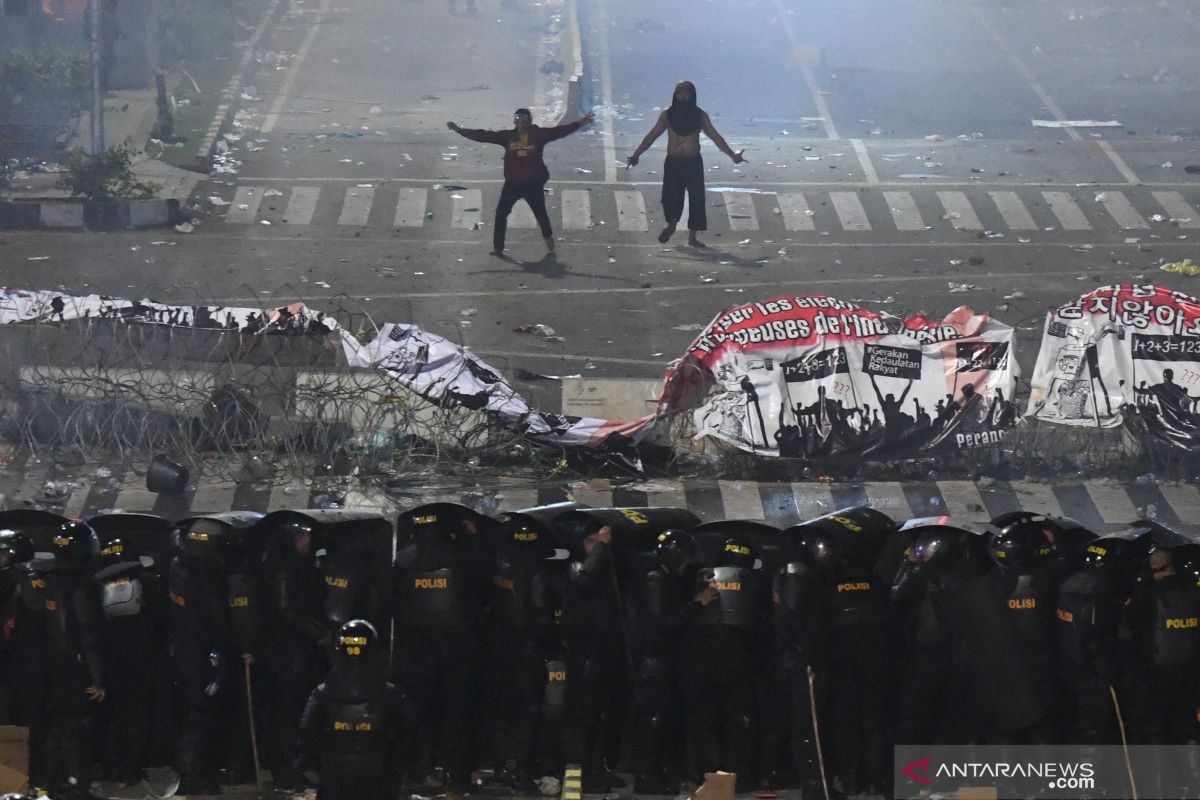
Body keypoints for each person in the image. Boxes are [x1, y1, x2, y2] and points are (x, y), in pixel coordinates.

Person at [446, 108, 595, 256]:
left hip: (533, 183)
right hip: (512, 184)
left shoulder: (539, 135)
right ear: (515, 122)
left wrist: (581, 122)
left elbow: (560, 131)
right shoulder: (508, 137)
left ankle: (548, 236)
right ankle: (498, 248)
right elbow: (484, 135)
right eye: (519, 120)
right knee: (501, 214)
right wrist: (460, 130)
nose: (522, 124)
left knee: (540, 214)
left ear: (530, 122)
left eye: (525, 121)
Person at [626, 80, 746, 247]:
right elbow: (651, 136)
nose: (682, 97)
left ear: (692, 96)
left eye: (685, 94)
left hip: (693, 163)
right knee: (670, 196)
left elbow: (715, 137)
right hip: (673, 163)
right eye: (679, 93)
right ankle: (672, 224)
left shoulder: (700, 116)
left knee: (697, 199)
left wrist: (732, 154)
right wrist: (636, 154)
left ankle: (692, 238)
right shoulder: (667, 115)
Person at [300, 620, 407, 800]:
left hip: (334, 781)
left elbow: (307, 733)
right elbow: (408, 733)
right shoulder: (390, 694)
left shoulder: (322, 693)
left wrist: (311, 768)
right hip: (379, 782)